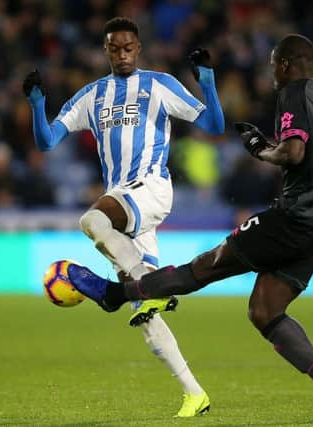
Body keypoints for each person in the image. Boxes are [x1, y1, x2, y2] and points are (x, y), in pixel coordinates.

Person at [65, 34, 313, 422]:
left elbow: (293, 152)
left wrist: (261, 150)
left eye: (274, 65)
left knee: (207, 266)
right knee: (264, 310)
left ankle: (115, 294)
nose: (272, 73)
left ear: (287, 64)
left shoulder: (294, 91)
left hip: (296, 216)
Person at [22, 17, 224, 417]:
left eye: (128, 46)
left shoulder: (159, 85)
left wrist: (208, 80)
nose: (122, 53)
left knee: (92, 221)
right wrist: (37, 105)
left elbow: (213, 125)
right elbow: (47, 142)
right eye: (114, 48)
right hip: (124, 204)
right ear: (106, 50)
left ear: (139, 48)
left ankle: (139, 285)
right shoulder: (91, 96)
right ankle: (194, 393)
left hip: (149, 188)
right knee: (145, 315)